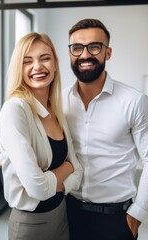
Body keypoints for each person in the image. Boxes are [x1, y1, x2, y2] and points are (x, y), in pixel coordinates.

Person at [62, 18, 148, 240]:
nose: (84, 54)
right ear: (70, 53)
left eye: (94, 46)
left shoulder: (134, 101)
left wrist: (138, 213)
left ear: (107, 53)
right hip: (67, 214)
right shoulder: (59, 102)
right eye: (77, 47)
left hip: (116, 220)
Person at [0, 32, 83, 240]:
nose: (37, 67)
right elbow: (38, 188)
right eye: (27, 61)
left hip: (61, 215)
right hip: (31, 224)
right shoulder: (15, 110)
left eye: (45, 58)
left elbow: (79, 171)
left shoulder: (57, 112)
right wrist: (67, 168)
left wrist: (62, 180)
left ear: (55, 63)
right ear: (20, 68)